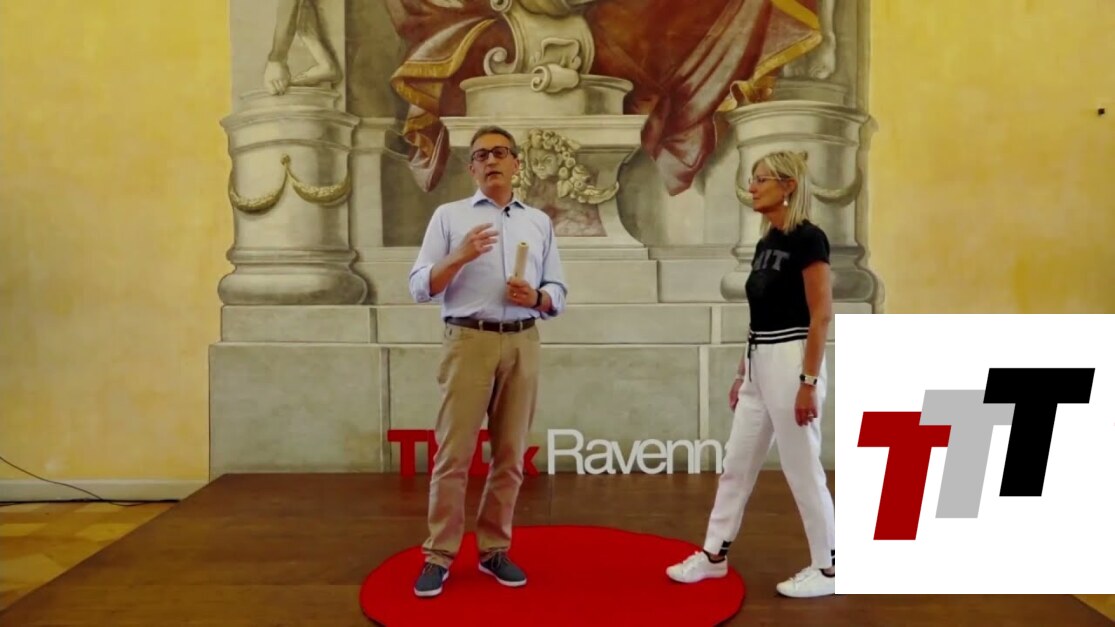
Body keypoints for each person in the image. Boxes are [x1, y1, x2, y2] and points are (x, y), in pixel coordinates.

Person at [665, 150, 836, 598]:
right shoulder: (766, 243)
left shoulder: (809, 239)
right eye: (753, 179)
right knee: (736, 467)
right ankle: (714, 556)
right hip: (760, 362)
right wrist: (744, 371)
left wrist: (808, 383)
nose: (752, 187)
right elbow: (761, 312)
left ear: (788, 185)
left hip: (792, 361)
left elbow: (821, 315)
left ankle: (829, 568)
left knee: (802, 470)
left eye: (762, 179)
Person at [407, 125, 568, 598]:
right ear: (471, 168)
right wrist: (458, 257)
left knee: (511, 456)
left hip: (522, 341)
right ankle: (439, 554)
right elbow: (419, 286)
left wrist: (536, 297)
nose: (491, 160)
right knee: (453, 456)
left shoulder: (538, 222)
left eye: (500, 152)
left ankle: (494, 549)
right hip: (468, 341)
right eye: (481, 155)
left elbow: (558, 289)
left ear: (517, 163)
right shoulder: (449, 216)